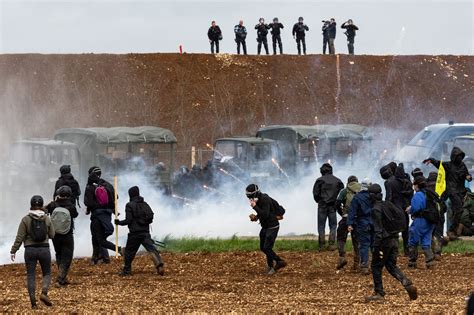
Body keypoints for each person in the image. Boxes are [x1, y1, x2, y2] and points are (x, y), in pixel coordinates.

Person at [365, 184, 418, 302]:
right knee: (391, 265)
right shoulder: (388, 204)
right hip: (395, 239)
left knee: (375, 266)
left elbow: (378, 231)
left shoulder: (375, 209)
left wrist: (375, 247)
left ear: (372, 196)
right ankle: (407, 284)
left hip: (384, 242)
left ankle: (379, 293)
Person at [10, 195, 55, 309]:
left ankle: (33, 304)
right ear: (41, 205)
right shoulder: (46, 218)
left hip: (29, 250)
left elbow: (19, 237)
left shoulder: (25, 219)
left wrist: (13, 250)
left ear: (31, 204)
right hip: (44, 249)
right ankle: (44, 293)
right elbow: (52, 235)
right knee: (47, 273)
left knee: (31, 275)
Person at [424, 146, 472, 239]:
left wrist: (468, 177)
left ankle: (452, 231)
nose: (459, 158)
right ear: (453, 157)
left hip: (460, 191)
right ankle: (450, 230)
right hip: (451, 190)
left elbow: (467, 174)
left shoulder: (462, 165)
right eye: (457, 156)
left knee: (457, 211)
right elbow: (439, 164)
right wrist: (431, 160)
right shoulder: (448, 165)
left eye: (460, 156)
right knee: (457, 209)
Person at [115, 186, 164, 276]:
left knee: (129, 252)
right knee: (152, 249)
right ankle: (159, 265)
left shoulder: (129, 205)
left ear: (130, 194)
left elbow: (128, 220)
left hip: (134, 234)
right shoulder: (144, 204)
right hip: (145, 232)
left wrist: (119, 222)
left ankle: (126, 271)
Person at [84, 166, 123, 264]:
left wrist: (88, 210)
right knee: (100, 237)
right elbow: (115, 197)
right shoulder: (107, 185)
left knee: (97, 237)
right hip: (107, 215)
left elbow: (88, 203)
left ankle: (97, 258)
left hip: (96, 216)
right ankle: (101, 258)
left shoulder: (90, 186)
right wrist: (113, 210)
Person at [246, 184, 287, 275]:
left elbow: (265, 214)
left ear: (255, 194)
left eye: (251, 197)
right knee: (263, 248)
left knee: (267, 247)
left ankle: (278, 263)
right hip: (265, 226)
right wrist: (256, 217)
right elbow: (263, 213)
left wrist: (254, 207)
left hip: (272, 227)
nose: (250, 199)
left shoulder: (264, 199)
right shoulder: (259, 200)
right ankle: (271, 265)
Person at [45, 186, 78, 287]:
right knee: (67, 256)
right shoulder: (71, 206)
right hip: (67, 234)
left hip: (55, 234)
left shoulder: (53, 204)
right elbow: (75, 215)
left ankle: (62, 276)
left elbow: (45, 210)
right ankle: (60, 279)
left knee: (59, 253)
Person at [383, 163, 413, 256]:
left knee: (394, 231)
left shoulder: (390, 182)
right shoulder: (407, 182)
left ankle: (394, 251)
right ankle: (407, 250)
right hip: (405, 208)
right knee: (406, 230)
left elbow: (389, 197)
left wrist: (386, 208)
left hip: (395, 208)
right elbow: (410, 195)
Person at [313, 163, 344, 251]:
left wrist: (319, 201)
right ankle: (331, 244)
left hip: (322, 205)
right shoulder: (338, 181)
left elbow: (315, 193)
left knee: (321, 226)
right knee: (333, 225)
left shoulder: (319, 180)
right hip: (333, 206)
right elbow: (341, 193)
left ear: (322, 171)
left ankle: (322, 245)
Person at [406, 176, 436, 269]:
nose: (413, 187)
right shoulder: (429, 193)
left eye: (414, 184)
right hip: (430, 220)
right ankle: (430, 262)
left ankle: (412, 262)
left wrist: (409, 210)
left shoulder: (418, 195)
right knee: (426, 241)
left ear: (417, 185)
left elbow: (415, 208)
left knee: (413, 240)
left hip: (420, 220)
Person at [347, 179, 373, 274]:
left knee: (364, 245)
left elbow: (352, 211)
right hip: (374, 223)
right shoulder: (374, 196)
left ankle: (364, 266)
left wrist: (350, 223)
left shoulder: (357, 198)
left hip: (362, 223)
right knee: (374, 244)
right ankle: (375, 266)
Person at [335, 175, 361, 270]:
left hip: (346, 217)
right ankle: (357, 263)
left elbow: (337, 203)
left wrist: (341, 213)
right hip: (358, 219)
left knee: (341, 238)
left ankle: (342, 257)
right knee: (357, 241)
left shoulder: (345, 191)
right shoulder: (362, 190)